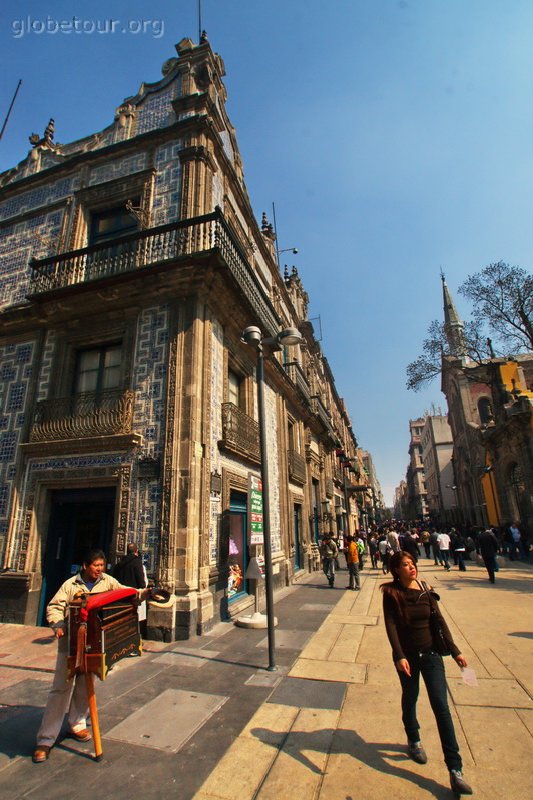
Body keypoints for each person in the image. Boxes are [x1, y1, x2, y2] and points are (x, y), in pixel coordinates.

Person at [33, 549, 151, 764]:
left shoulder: (107, 581)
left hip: (94, 642)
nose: (99, 569)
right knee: (61, 688)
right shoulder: (71, 585)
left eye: (101, 565)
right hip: (70, 645)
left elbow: (126, 592)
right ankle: (46, 738)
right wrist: (57, 624)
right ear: (85, 566)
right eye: (95, 565)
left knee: (85, 687)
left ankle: (77, 723)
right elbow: (55, 607)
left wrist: (145, 593)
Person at [381, 551, 472, 796]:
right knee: (410, 698)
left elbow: (439, 622)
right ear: (396, 570)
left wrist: (455, 652)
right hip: (407, 657)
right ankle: (413, 737)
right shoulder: (391, 593)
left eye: (412, 564)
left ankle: (455, 769)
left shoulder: (425, 590)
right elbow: (390, 625)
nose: (412, 567)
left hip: (431, 654)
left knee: (441, 707)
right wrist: (399, 655)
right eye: (405, 565)